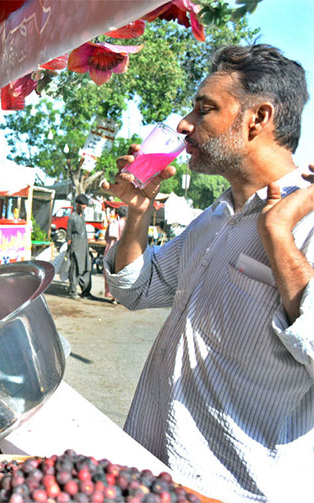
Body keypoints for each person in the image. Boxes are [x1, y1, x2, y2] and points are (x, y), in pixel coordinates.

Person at [102, 44, 313, 502]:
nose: (184, 124)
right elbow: (138, 289)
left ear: (258, 117)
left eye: (205, 109)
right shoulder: (215, 217)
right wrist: (137, 212)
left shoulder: (309, 220)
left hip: (234, 489)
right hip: (151, 475)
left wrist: (278, 237)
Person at [66, 193, 92, 299]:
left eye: (85, 205)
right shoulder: (72, 217)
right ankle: (73, 291)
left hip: (84, 246)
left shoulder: (83, 216)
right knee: (75, 269)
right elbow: (68, 235)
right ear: (77, 204)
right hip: (75, 247)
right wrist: (70, 247)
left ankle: (85, 291)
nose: (84, 207)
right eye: (83, 205)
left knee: (87, 268)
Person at [103, 205, 127, 301]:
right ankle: (118, 296)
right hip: (121, 251)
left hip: (109, 250)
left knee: (109, 272)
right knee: (120, 273)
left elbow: (106, 237)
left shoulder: (112, 223)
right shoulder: (126, 225)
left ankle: (112, 295)